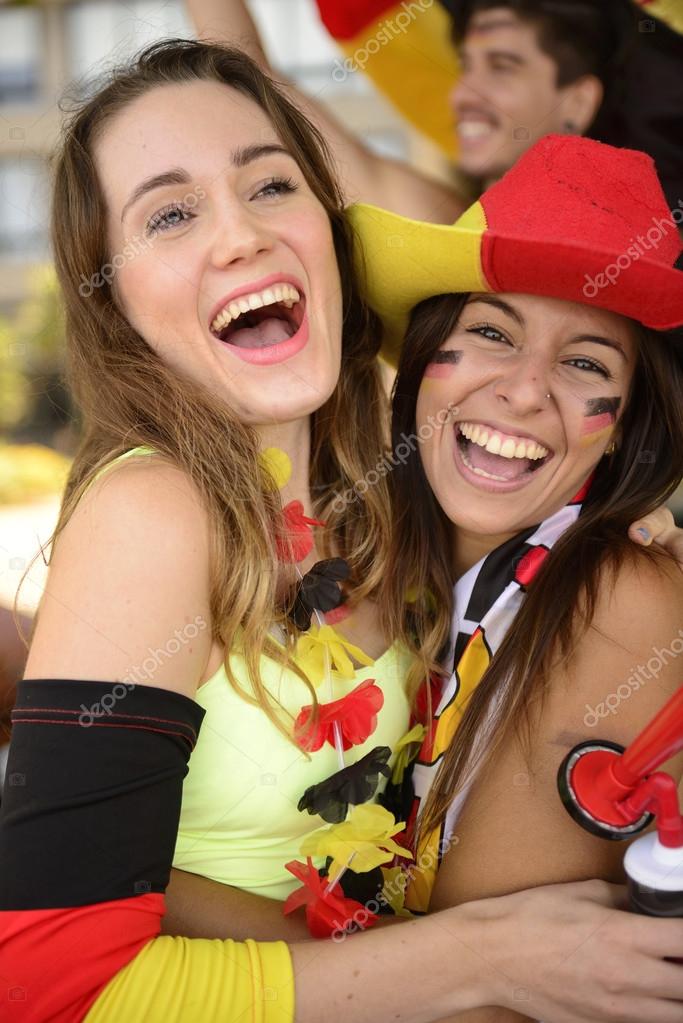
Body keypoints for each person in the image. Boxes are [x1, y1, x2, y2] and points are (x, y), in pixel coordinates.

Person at [1, 39, 683, 1023]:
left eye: (269, 185)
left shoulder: (382, 494)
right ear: (112, 295)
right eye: (170, 214)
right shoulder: (153, 510)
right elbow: (50, 991)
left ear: (325, 227)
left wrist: (622, 517)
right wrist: (482, 957)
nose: (239, 236)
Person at [349, 133, 683, 1017]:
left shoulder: (620, 596)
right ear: (423, 361)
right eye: (492, 332)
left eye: (584, 363)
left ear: (623, 424)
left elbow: (487, 995)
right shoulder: (366, 557)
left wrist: (147, 911)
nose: (526, 390)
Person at [186, 0, 681, 223]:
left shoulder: (656, 247)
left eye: (502, 66)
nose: (463, 93)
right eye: (465, 66)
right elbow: (250, 77)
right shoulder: (452, 230)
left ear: (577, 102)